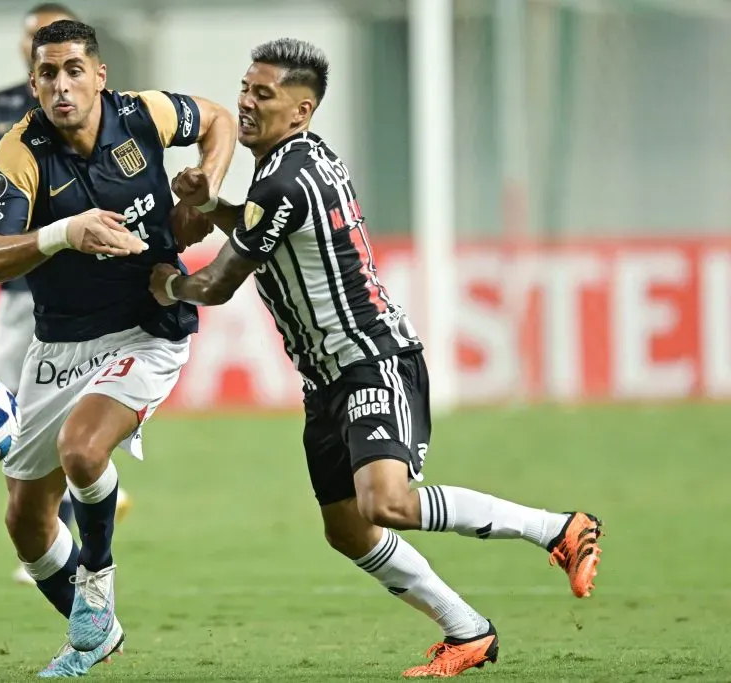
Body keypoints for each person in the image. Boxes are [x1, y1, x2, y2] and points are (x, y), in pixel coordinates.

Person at [150, 38, 604, 679]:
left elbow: (219, 283)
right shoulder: (294, 163)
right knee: (348, 529)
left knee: (385, 502)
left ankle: (557, 527)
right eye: (246, 89)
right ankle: (468, 631)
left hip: (371, 360)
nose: (246, 104)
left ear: (301, 110)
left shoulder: (283, 179)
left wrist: (167, 283)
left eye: (265, 94)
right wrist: (214, 205)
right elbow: (267, 224)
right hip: (326, 378)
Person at [0, 20, 236, 677]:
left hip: (150, 327)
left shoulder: (141, 115)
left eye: (74, 70)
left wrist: (206, 177)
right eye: (49, 74)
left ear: (100, 75)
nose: (62, 85)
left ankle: (97, 585)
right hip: (60, 342)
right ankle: (98, 632)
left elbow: (219, 118)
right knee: (26, 521)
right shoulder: (21, 153)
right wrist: (64, 232)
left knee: (83, 448)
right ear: (34, 84)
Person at [0, 3, 132, 587]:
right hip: (19, 286)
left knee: (38, 413)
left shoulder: (100, 113)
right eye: (35, 38)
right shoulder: (2, 110)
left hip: (81, 291)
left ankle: (65, 514)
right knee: (10, 405)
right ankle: (70, 502)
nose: (57, 69)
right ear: (27, 55)